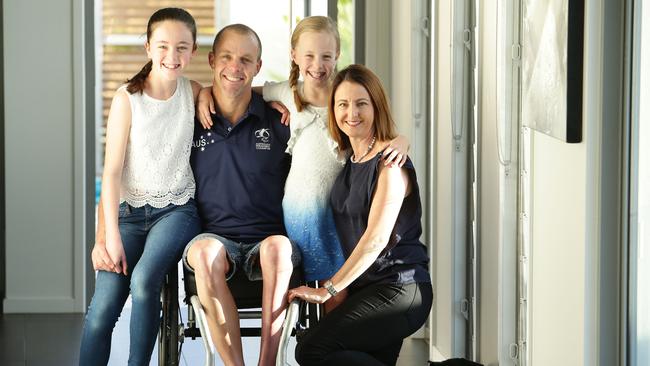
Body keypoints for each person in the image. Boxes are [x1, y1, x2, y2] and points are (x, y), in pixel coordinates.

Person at [197, 16, 409, 312]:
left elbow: (375, 130)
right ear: (294, 55)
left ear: (337, 56)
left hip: (334, 214)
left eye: (326, 56)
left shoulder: (342, 99)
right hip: (296, 217)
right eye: (308, 55)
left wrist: (401, 140)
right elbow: (242, 91)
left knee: (334, 291)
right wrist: (204, 94)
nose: (317, 64)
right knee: (303, 287)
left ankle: (329, 348)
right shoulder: (287, 92)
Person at [79, 8, 204, 366]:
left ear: (193, 51)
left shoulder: (193, 92)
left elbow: (237, 93)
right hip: (129, 214)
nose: (172, 56)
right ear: (148, 47)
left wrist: (274, 99)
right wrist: (108, 237)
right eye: (163, 46)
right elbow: (113, 172)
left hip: (178, 210)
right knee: (102, 310)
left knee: (145, 280)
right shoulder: (127, 99)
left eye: (182, 47)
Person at [288, 64, 433, 366]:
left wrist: (329, 289)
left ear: (376, 106)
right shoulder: (350, 160)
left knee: (311, 350)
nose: (351, 113)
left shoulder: (390, 164)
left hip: (399, 288)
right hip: (367, 291)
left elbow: (376, 239)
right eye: (342, 104)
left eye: (361, 103)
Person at [183, 24, 300, 366]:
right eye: (227, 57)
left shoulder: (280, 119)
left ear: (258, 67)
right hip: (212, 239)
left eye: (246, 60)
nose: (236, 67)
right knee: (205, 252)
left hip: (269, 240)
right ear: (211, 60)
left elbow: (326, 98)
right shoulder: (188, 118)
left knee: (279, 247)